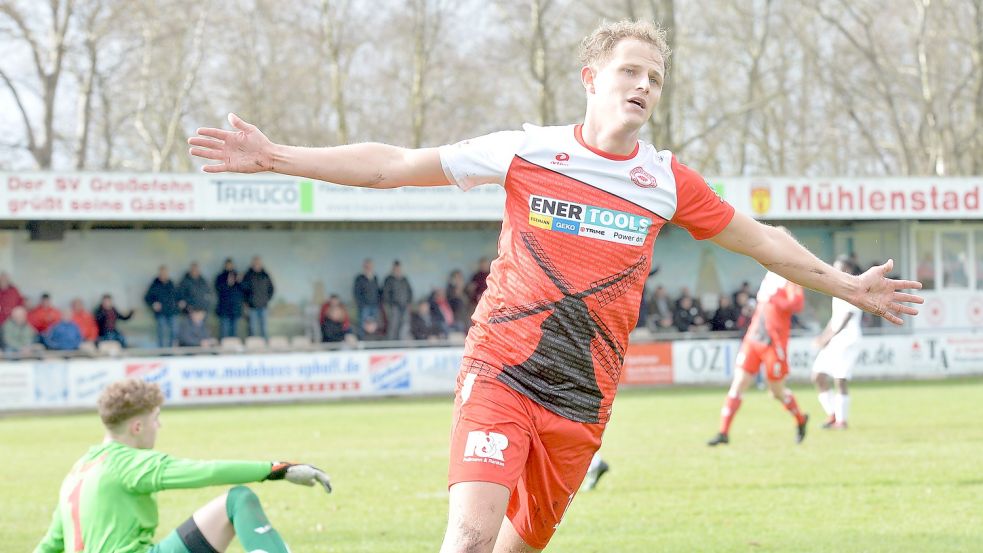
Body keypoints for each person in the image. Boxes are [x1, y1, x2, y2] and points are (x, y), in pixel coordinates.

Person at [190, 19, 922, 552]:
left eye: (655, 78)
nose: (643, 85)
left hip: (582, 399)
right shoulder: (526, 151)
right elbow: (394, 164)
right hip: (501, 369)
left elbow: (760, 240)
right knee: (470, 538)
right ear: (591, 79)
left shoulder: (665, 182)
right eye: (630, 70)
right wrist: (277, 156)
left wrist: (846, 286)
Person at [33, 378, 330, 553]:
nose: (159, 425)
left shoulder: (77, 472)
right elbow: (206, 471)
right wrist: (277, 469)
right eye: (155, 418)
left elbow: (49, 546)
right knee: (239, 499)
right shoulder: (129, 463)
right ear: (137, 426)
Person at [708, 269, 808, 446]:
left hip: (773, 344)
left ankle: (800, 419)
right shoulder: (769, 274)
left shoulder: (791, 278)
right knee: (737, 385)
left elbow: (797, 304)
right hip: (753, 338)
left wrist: (775, 299)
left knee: (776, 392)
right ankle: (723, 432)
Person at [812, 256, 864, 429]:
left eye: (838, 268)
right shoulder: (836, 289)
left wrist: (828, 337)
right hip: (835, 339)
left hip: (848, 340)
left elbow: (847, 318)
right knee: (817, 375)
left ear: (848, 269)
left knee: (840, 379)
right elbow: (835, 320)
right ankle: (833, 415)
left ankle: (842, 421)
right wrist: (824, 336)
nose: (834, 271)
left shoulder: (854, 287)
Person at [144, 266, 180, 347]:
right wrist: (153, 303)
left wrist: (179, 304)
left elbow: (177, 296)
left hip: (172, 312)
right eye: (162, 273)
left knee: (174, 331)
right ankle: (162, 350)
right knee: (162, 332)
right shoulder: (155, 285)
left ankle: (171, 349)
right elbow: (147, 298)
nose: (164, 275)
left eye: (165, 273)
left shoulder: (171, 284)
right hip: (161, 313)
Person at [241, 256, 275, 339]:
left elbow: (271, 289)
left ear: (261, 264)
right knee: (252, 328)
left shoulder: (265, 275)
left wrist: (266, 299)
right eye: (255, 263)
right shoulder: (247, 275)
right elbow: (243, 290)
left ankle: (265, 348)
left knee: (264, 328)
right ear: (252, 264)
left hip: (263, 306)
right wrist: (246, 302)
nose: (256, 265)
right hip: (252, 307)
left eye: (258, 263)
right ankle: (251, 347)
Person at [382, 260, 413, 340]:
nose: (398, 270)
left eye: (399, 269)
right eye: (396, 269)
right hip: (394, 306)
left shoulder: (404, 279)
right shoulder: (389, 279)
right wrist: (388, 305)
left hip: (405, 306)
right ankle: (391, 344)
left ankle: (401, 343)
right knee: (393, 326)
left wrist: (409, 303)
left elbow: (410, 291)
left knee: (405, 325)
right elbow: (385, 294)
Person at [214, 258, 245, 338]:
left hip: (235, 309)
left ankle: (233, 349)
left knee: (234, 333)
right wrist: (228, 284)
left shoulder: (238, 276)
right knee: (224, 332)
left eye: (231, 265)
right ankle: (223, 349)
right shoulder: (220, 277)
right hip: (224, 309)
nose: (229, 266)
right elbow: (218, 290)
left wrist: (240, 282)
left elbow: (244, 290)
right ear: (225, 266)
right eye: (227, 265)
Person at [353, 258, 382, 333]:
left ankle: (373, 341)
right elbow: (356, 293)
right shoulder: (359, 278)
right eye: (367, 266)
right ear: (364, 267)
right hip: (364, 307)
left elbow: (378, 292)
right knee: (362, 325)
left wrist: (378, 303)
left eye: (370, 266)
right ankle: (362, 342)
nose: (369, 268)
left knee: (375, 326)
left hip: (375, 306)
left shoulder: (375, 278)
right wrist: (361, 304)